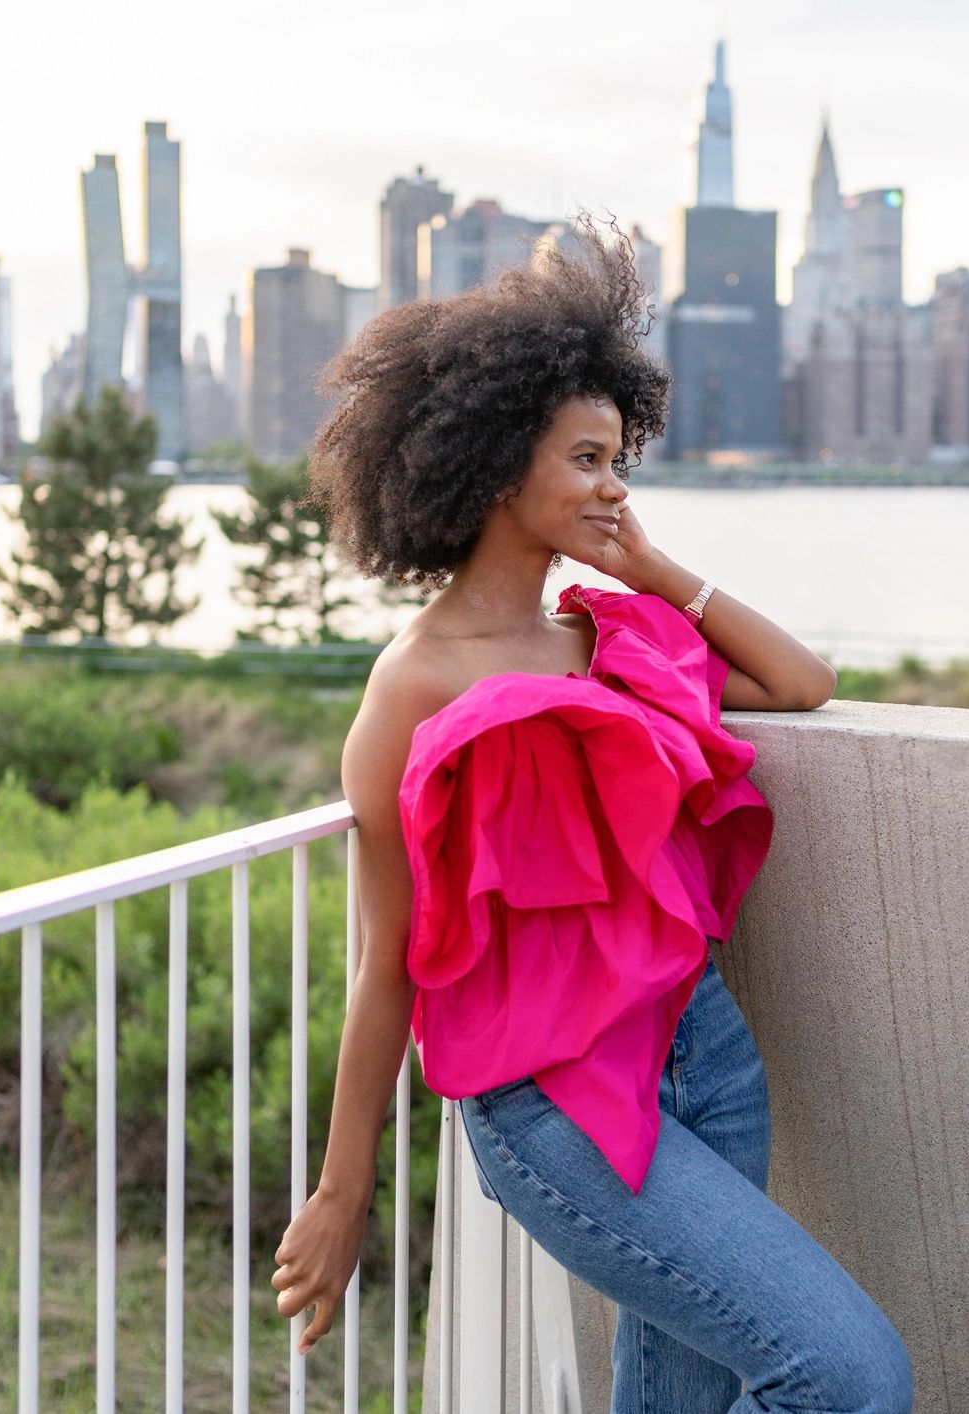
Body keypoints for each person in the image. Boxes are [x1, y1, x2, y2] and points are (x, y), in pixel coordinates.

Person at [270, 218, 914, 1412]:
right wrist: (343, 1187)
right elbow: (385, 959)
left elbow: (801, 682)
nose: (614, 485)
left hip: (705, 1057)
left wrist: (656, 569)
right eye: (585, 459)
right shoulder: (411, 686)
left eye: (621, 457)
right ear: (496, 461)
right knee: (847, 1371)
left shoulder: (608, 636)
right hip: (556, 1106)